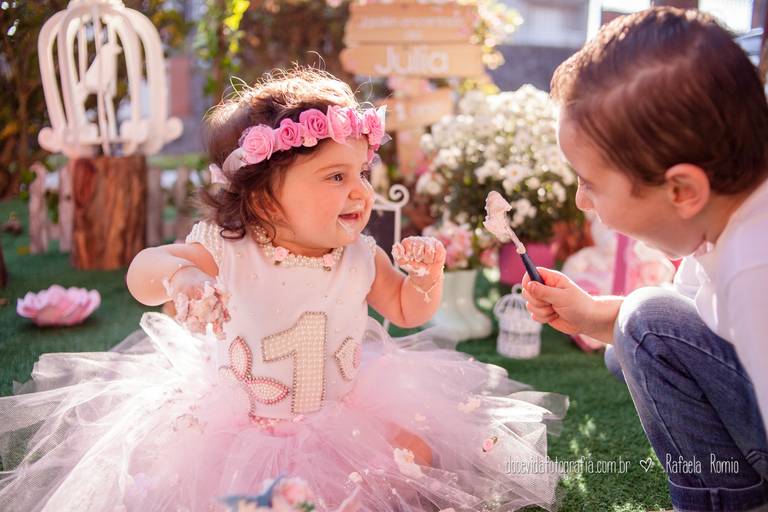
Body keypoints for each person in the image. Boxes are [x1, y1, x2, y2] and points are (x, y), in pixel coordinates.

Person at [0, 68, 566, 511]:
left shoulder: (359, 255)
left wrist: (427, 278)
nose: (359, 192)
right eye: (336, 177)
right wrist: (184, 276)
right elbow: (141, 273)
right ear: (266, 199)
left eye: (362, 173)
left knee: (415, 461)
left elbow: (408, 310)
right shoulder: (228, 250)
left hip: (343, 411)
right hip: (242, 425)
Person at [522, 7, 768, 512]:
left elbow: (660, 325)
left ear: (682, 190)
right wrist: (591, 315)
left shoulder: (755, 266)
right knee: (630, 344)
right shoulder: (724, 227)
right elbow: (690, 319)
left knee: (645, 325)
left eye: (590, 182)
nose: (580, 202)